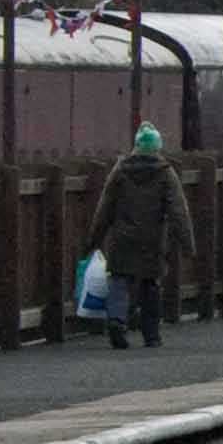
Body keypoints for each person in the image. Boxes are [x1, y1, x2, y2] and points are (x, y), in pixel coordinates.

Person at [83, 122, 196, 349]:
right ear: (157, 147)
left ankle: (116, 321)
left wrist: (93, 240)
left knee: (119, 281)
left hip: (122, 238)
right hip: (152, 238)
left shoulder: (120, 170)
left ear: (135, 146)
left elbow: (105, 208)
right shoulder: (165, 173)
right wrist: (187, 244)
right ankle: (151, 335)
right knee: (150, 285)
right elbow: (178, 210)